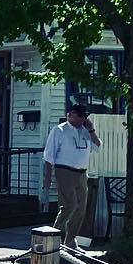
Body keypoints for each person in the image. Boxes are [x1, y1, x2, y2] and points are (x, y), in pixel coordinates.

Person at [42, 102, 100, 246]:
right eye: (81, 116)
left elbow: (97, 146)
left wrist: (91, 130)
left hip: (82, 173)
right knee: (70, 205)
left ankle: (70, 242)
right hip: (64, 171)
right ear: (71, 115)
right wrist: (47, 176)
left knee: (81, 208)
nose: (83, 119)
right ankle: (53, 238)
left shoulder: (86, 131)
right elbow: (49, 155)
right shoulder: (59, 130)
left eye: (84, 117)